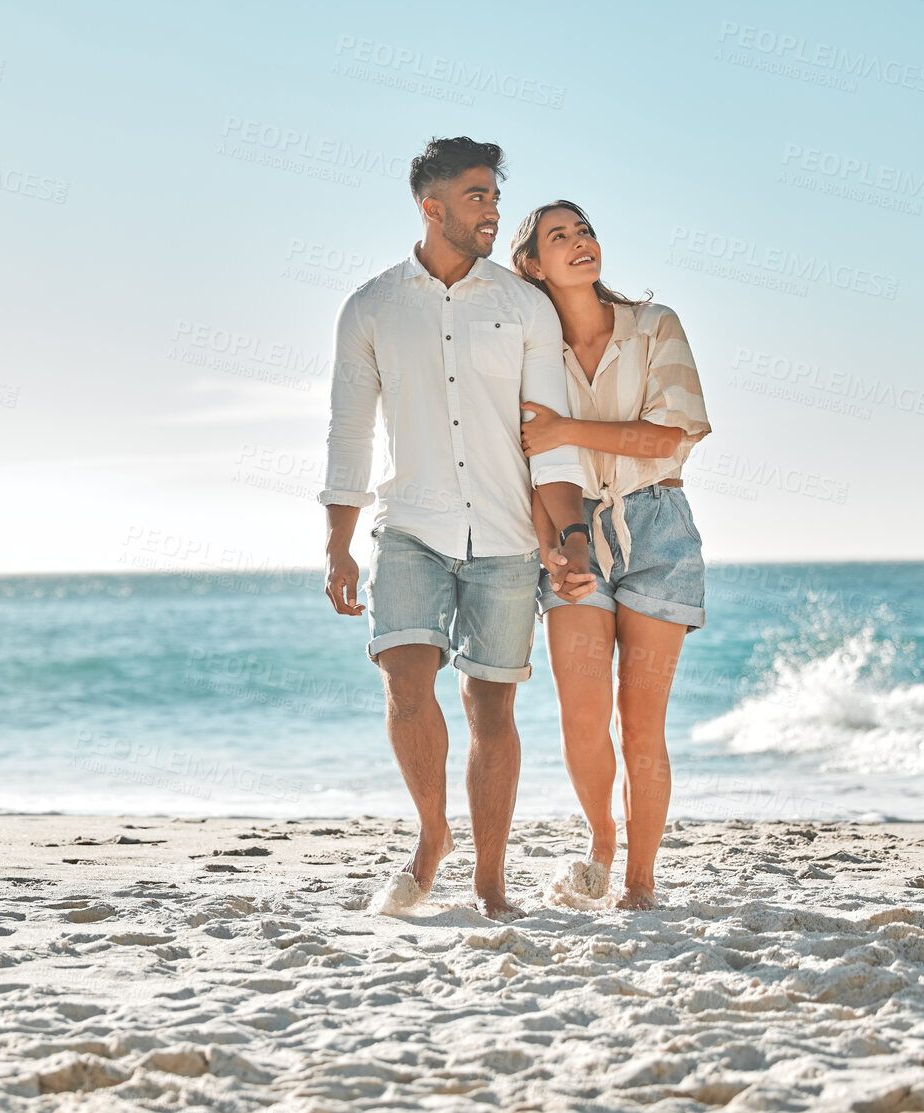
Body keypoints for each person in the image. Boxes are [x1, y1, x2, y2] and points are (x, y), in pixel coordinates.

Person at [319, 139, 595, 922]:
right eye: (476, 196)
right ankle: (433, 833)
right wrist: (338, 540)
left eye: (495, 197)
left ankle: (490, 878)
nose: (493, 211)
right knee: (406, 683)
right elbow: (348, 430)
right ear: (430, 205)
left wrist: (569, 535)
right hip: (408, 525)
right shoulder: (371, 306)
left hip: (507, 533)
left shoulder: (524, 306)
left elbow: (548, 436)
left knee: (491, 707)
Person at [509, 200, 713, 911]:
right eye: (558, 237)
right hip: (570, 525)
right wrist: (549, 540)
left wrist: (570, 426)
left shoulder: (655, 327)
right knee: (582, 713)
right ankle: (601, 836)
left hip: (657, 526)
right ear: (532, 264)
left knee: (640, 721)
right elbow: (529, 458)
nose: (579, 243)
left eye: (585, 231)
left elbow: (669, 439)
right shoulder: (530, 350)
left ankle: (640, 878)